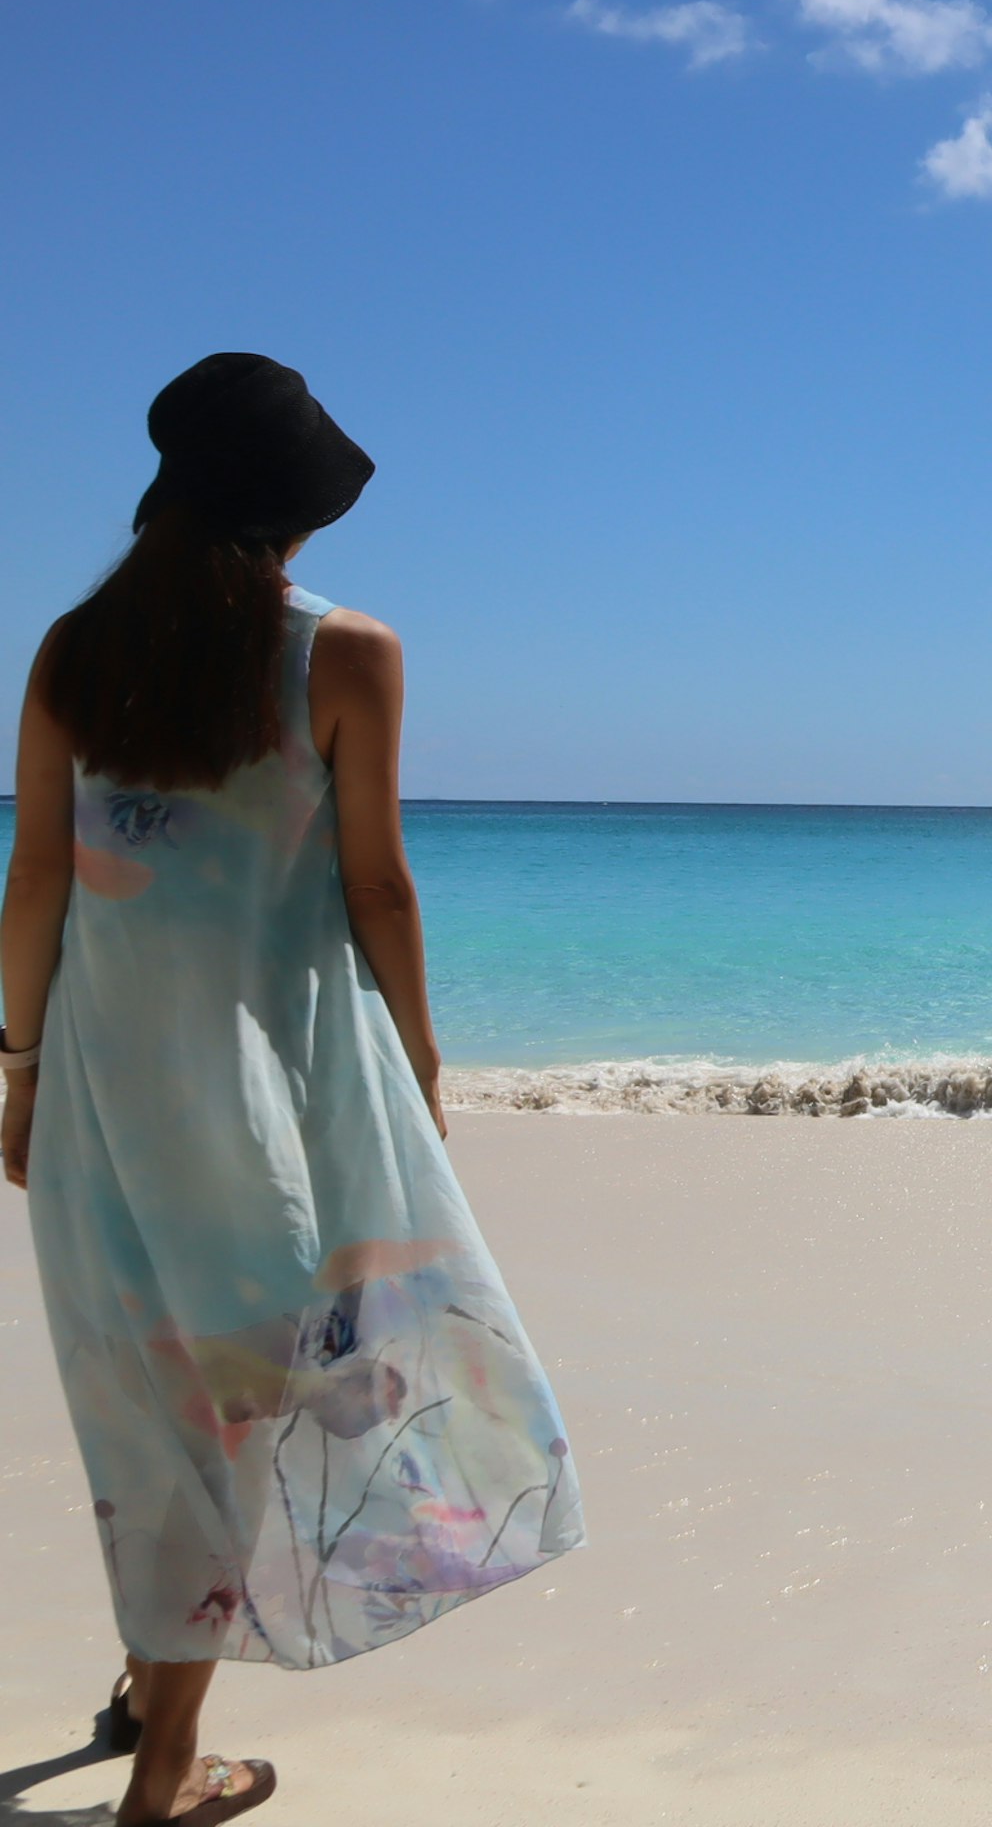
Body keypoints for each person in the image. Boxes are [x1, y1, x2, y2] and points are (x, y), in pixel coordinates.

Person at [3, 355, 584, 1824]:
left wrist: (14, 1072)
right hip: (273, 1092)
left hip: (97, 1086)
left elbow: (37, 881)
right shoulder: (345, 652)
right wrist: (426, 1060)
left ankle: (152, 1693)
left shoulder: (74, 650)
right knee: (255, 1409)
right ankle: (162, 1777)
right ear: (289, 516)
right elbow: (377, 885)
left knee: (143, 1405)